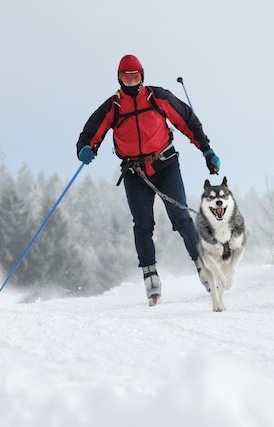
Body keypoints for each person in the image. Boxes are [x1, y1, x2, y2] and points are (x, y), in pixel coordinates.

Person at [76, 54, 220, 306]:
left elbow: (187, 120)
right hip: (135, 173)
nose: (131, 82)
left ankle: (203, 266)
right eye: (126, 77)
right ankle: (150, 276)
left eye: (136, 77)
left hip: (166, 165)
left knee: (181, 218)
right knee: (143, 224)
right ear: (119, 79)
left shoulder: (158, 97)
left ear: (142, 76)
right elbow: (91, 132)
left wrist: (206, 150)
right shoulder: (114, 106)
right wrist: (86, 148)